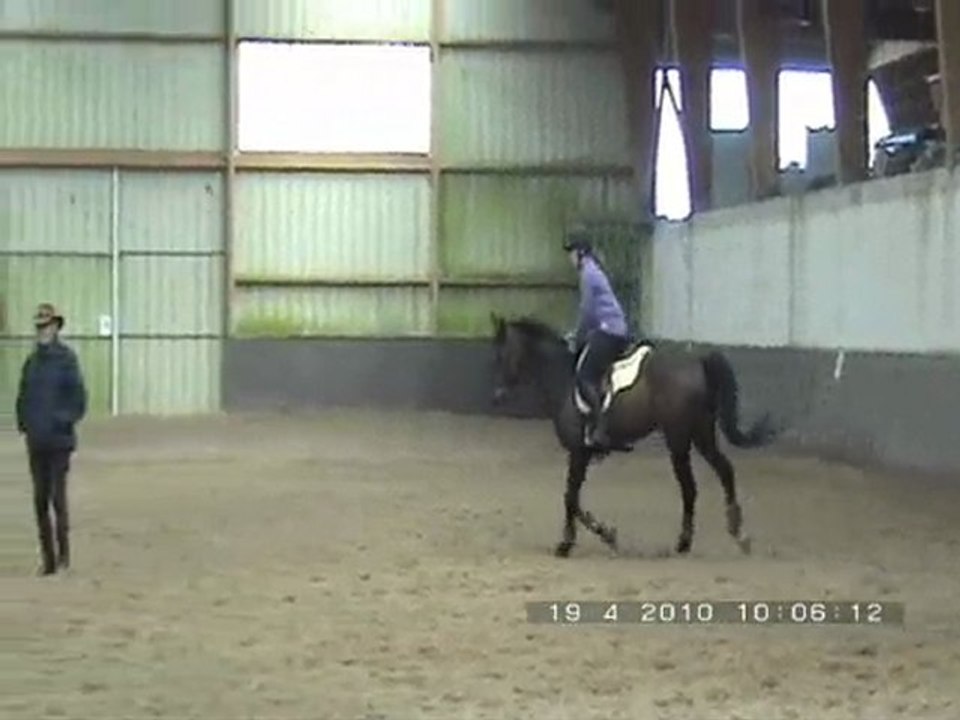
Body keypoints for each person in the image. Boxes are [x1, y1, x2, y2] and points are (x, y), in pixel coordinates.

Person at [15, 303, 87, 576]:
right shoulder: (31, 363)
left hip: (59, 442)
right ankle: (48, 559)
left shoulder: (67, 360)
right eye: (39, 326)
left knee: (58, 498)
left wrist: (62, 420)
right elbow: (23, 396)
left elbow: (79, 399)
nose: (42, 330)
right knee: (40, 500)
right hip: (36, 441)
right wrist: (25, 423)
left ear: (56, 327)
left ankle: (63, 555)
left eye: (46, 325)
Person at [563, 234, 630, 450]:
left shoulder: (588, 274)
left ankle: (600, 427)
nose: (570, 259)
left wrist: (576, 335)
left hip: (609, 332)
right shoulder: (594, 270)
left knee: (584, 376)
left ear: (580, 253)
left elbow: (587, 311)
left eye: (571, 253)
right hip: (616, 330)